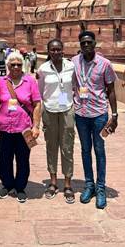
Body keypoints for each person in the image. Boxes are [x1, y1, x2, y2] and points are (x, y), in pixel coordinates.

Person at [72, 31, 118, 209]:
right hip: (81, 114)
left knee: (99, 150)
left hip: (99, 114)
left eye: (89, 42)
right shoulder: (74, 62)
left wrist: (114, 116)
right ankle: (89, 185)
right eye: (83, 43)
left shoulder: (105, 64)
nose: (86, 46)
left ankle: (100, 188)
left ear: (94, 43)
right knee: (85, 150)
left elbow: (111, 90)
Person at [0, 52, 41, 203]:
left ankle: (20, 187)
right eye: (12, 64)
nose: (15, 67)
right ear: (7, 66)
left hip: (24, 128)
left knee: (23, 159)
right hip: (5, 127)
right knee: (4, 158)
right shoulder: (1, 82)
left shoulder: (30, 81)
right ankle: (7, 184)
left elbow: (37, 104)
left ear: (22, 65)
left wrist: (36, 126)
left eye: (18, 64)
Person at [37, 39, 75, 203]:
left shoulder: (71, 66)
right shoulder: (43, 69)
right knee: (51, 146)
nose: (56, 52)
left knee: (67, 146)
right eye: (52, 50)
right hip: (50, 109)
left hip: (67, 108)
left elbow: (76, 85)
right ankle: (53, 182)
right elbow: (39, 91)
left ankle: (67, 183)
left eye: (58, 49)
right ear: (48, 51)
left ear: (63, 50)